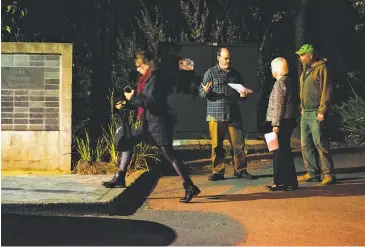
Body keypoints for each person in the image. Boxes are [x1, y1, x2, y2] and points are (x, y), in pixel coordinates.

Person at [103, 51, 201, 203]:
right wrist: (127, 103)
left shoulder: (155, 79)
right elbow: (142, 101)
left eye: (139, 66)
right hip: (147, 124)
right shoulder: (145, 79)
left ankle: (189, 186)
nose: (137, 69)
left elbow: (152, 103)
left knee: (170, 155)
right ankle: (120, 177)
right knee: (127, 141)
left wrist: (133, 98)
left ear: (147, 64)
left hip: (158, 125)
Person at [199, 47, 257, 181]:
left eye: (230, 58)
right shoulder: (210, 73)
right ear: (218, 58)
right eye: (225, 58)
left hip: (233, 115)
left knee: (238, 145)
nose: (228, 61)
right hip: (215, 115)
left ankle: (240, 170)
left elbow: (242, 93)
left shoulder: (235, 74)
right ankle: (218, 171)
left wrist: (243, 95)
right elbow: (202, 93)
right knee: (216, 145)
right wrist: (206, 91)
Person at [295, 44, 336, 185]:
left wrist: (322, 110)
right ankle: (312, 172)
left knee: (320, 143)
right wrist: (301, 107)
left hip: (316, 112)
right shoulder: (306, 69)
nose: (300, 58)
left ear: (310, 55)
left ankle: (328, 174)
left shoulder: (322, 68)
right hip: (305, 112)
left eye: (302, 55)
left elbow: (327, 90)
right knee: (305, 144)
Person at [265, 57, 299, 191]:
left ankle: (280, 182)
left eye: (272, 67)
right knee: (285, 151)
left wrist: (275, 124)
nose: (271, 70)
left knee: (278, 152)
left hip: (280, 122)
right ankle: (291, 181)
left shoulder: (279, 83)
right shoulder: (288, 81)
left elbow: (278, 106)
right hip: (288, 121)